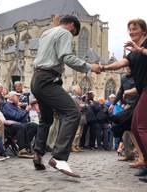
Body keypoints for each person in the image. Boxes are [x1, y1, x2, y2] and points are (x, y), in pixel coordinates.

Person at [30, 15, 101, 177]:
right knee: (72, 113)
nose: (73, 36)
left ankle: (38, 154)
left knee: (46, 119)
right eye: (75, 32)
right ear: (72, 26)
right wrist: (90, 66)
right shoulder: (66, 33)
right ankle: (59, 158)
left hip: (36, 78)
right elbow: (66, 57)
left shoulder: (47, 33)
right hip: (48, 79)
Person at [101, 18, 147, 182]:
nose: (132, 32)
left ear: (143, 30)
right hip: (143, 91)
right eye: (130, 29)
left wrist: (140, 49)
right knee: (134, 126)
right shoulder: (133, 52)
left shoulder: (143, 45)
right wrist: (103, 67)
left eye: (135, 29)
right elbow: (122, 62)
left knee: (141, 126)